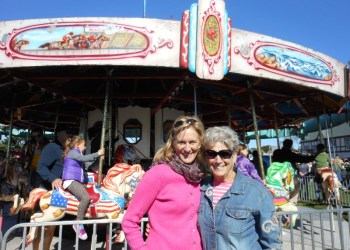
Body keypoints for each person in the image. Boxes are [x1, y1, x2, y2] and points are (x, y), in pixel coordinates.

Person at [122, 115, 206, 249]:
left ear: (200, 143)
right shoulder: (158, 174)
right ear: (173, 143)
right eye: (181, 142)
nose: (187, 148)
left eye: (192, 142)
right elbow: (129, 220)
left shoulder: (200, 175)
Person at [199, 126, 281, 249]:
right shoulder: (199, 189)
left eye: (224, 154)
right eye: (212, 154)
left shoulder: (257, 192)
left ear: (235, 154)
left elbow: (272, 243)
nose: (218, 160)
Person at [34, 125, 73, 250]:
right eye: (67, 132)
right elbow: (41, 167)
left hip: (58, 191)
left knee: (51, 226)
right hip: (47, 189)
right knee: (40, 225)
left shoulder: (66, 149)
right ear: (58, 134)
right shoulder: (51, 147)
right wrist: (53, 178)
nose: (69, 135)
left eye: (71, 132)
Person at [62, 135, 104, 240]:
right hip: (70, 181)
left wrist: (98, 161)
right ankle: (78, 223)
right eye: (83, 145)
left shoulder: (78, 154)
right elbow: (84, 158)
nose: (85, 147)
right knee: (86, 197)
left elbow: (87, 163)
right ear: (77, 145)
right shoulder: (73, 152)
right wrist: (97, 153)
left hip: (77, 181)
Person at [272, 139, 315, 205]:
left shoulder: (277, 152)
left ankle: (279, 202)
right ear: (290, 145)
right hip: (288, 173)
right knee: (297, 184)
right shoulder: (290, 154)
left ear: (283, 144)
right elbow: (303, 159)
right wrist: (313, 157)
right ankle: (292, 201)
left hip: (276, 174)